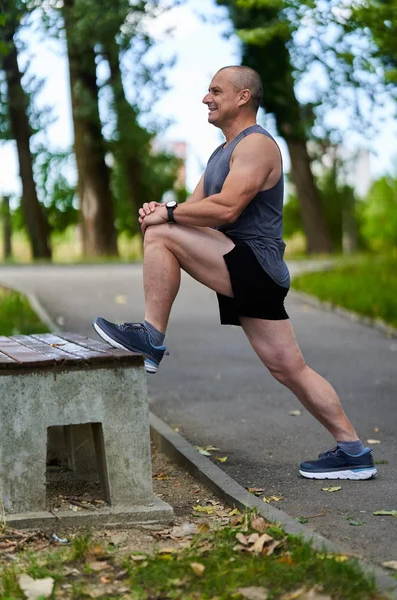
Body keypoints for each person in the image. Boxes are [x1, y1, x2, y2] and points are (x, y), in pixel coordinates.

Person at [93, 66, 376, 481]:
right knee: (289, 369)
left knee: (162, 235)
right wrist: (161, 212)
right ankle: (354, 451)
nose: (206, 99)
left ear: (243, 97)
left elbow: (226, 209)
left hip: (255, 264)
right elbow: (193, 217)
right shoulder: (219, 155)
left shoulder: (257, 146)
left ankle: (150, 340)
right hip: (243, 265)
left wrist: (165, 216)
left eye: (215, 91)